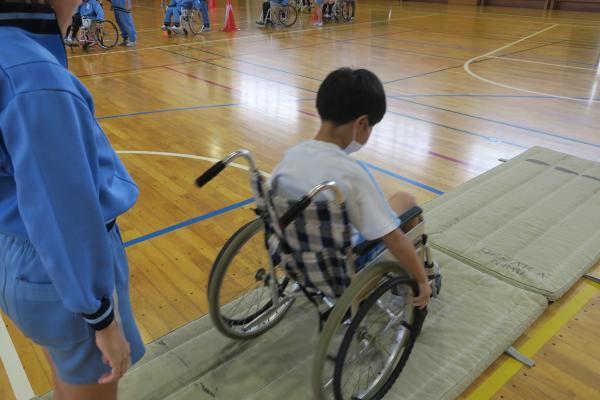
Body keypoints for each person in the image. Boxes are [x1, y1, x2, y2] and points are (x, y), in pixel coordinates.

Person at [0, 1, 145, 399]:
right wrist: (102, 318)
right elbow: (64, 214)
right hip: (58, 268)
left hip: (21, 252)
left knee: (65, 373)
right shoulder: (32, 76)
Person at [270, 67, 432, 308]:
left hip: (293, 253)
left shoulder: (291, 156)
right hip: (343, 265)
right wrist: (422, 281)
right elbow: (394, 239)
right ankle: (421, 275)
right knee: (407, 202)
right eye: (371, 127)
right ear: (362, 123)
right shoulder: (351, 173)